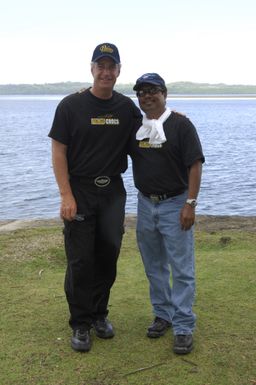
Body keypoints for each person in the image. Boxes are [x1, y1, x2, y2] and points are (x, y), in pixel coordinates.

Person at [48, 42, 141, 352]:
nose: (105, 71)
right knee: (80, 260)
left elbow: (149, 136)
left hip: (113, 192)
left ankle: (100, 315)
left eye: (111, 66)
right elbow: (58, 151)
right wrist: (66, 195)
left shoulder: (127, 108)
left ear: (118, 71)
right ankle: (81, 323)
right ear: (91, 69)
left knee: (107, 257)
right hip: (81, 191)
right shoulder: (70, 106)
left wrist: (169, 114)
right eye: (100, 66)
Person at [129, 73, 205, 354]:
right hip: (145, 204)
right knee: (154, 265)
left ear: (165, 93)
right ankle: (163, 315)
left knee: (182, 268)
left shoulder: (182, 125)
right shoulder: (135, 127)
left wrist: (190, 203)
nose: (147, 96)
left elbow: (195, 165)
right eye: (141, 92)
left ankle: (184, 325)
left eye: (153, 91)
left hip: (176, 204)